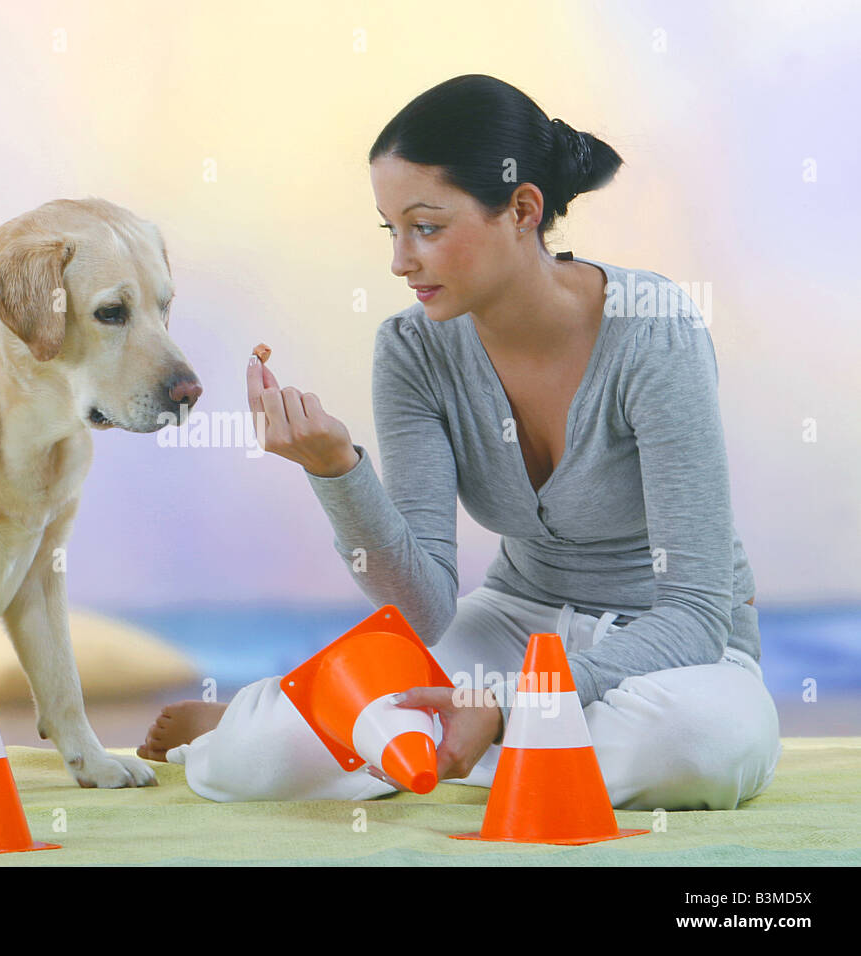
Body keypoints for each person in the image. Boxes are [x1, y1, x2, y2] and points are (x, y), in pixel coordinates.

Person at [137, 74, 780, 811]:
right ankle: (302, 728)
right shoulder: (413, 350)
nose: (400, 260)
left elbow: (696, 611)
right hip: (513, 621)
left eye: (427, 227)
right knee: (249, 761)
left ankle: (395, 739)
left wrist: (509, 701)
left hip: (670, 650)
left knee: (695, 748)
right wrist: (337, 471)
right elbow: (426, 612)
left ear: (522, 209)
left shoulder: (653, 327)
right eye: (390, 229)